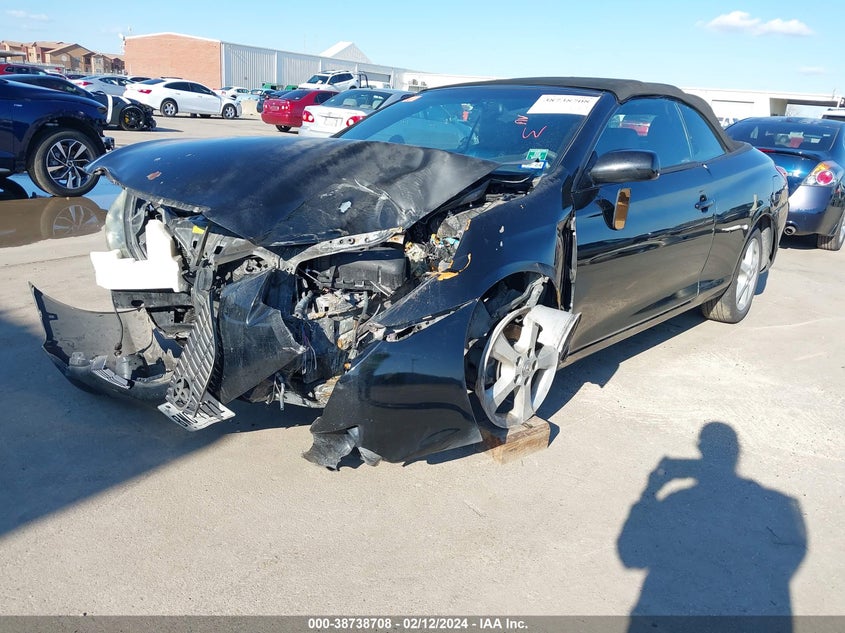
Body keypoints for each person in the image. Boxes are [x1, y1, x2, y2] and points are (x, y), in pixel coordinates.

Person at [617, 422, 806, 633]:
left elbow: (631, 556)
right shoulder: (778, 504)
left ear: (700, 450)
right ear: (737, 452)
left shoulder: (676, 503)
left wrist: (651, 490)